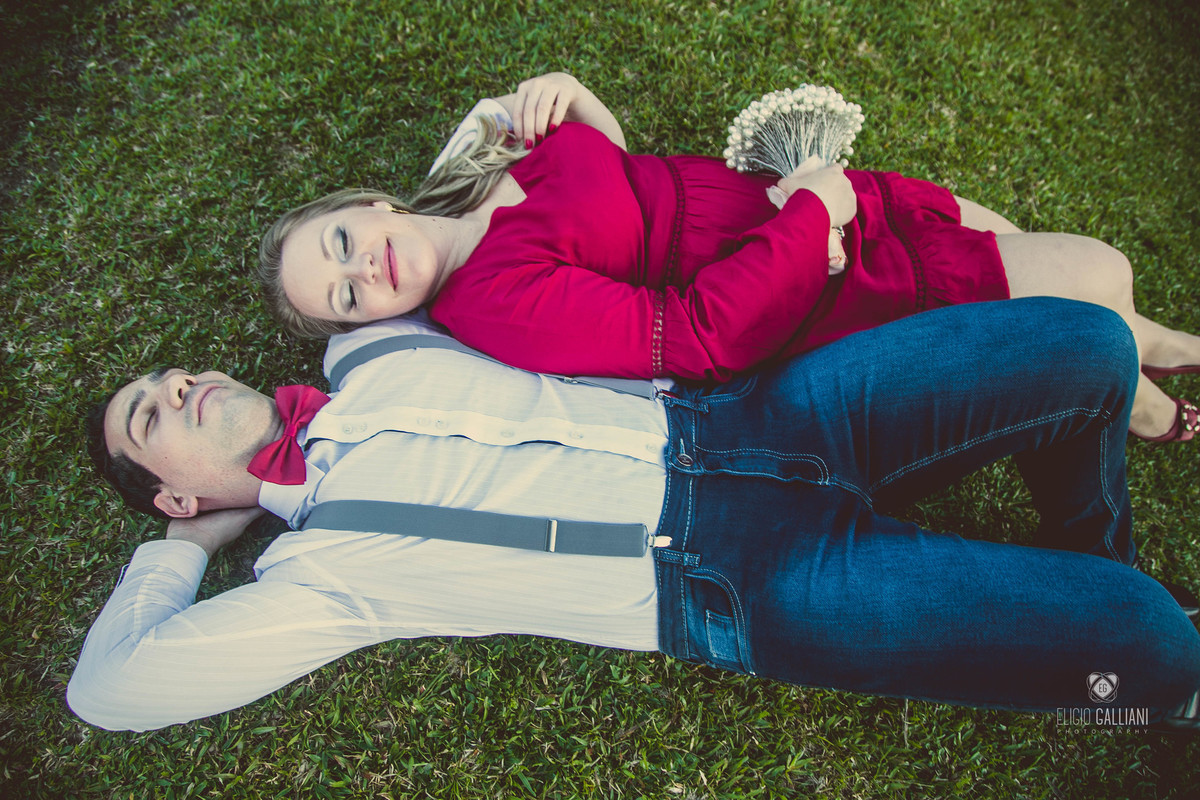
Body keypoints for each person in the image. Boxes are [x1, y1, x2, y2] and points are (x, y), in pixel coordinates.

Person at [70, 297, 1200, 731]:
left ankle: (1088, 572)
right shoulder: (318, 575)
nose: (180, 385)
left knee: (1090, 347)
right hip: (740, 580)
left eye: (172, 373)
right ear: (174, 489)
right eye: (150, 414)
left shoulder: (366, 348)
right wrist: (185, 548)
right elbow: (109, 691)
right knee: (1154, 648)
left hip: (760, 413)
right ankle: (1135, 659)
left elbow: (451, 230)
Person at [258, 72, 1200, 442]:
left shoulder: (475, 164)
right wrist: (817, 213)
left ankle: (1154, 350)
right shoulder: (493, 303)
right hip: (807, 273)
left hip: (802, 197)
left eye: (342, 245)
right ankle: (1146, 406)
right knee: (1095, 277)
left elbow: (616, 179)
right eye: (346, 299)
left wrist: (576, 98)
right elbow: (698, 338)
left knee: (1085, 278)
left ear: (370, 206)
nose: (363, 272)